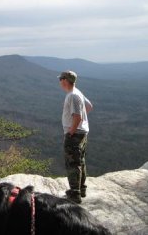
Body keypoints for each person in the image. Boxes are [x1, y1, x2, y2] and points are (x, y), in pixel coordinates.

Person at [58, 70, 93, 204]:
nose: (60, 82)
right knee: (80, 161)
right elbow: (89, 107)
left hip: (75, 134)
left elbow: (77, 116)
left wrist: (71, 131)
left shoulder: (72, 96)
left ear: (65, 81)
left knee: (72, 163)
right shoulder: (78, 92)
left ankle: (74, 194)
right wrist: (81, 121)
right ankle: (81, 189)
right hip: (83, 132)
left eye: (60, 79)